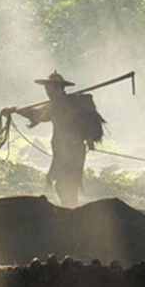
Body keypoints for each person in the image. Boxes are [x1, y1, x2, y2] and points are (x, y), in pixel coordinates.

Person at [19, 71, 105, 208]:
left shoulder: (60, 105)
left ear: (59, 88)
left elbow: (37, 115)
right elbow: (38, 115)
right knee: (65, 185)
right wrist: (16, 110)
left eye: (50, 88)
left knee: (64, 186)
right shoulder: (60, 104)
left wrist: (16, 111)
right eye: (46, 88)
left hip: (70, 151)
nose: (47, 91)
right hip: (67, 150)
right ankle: (71, 211)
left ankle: (71, 213)